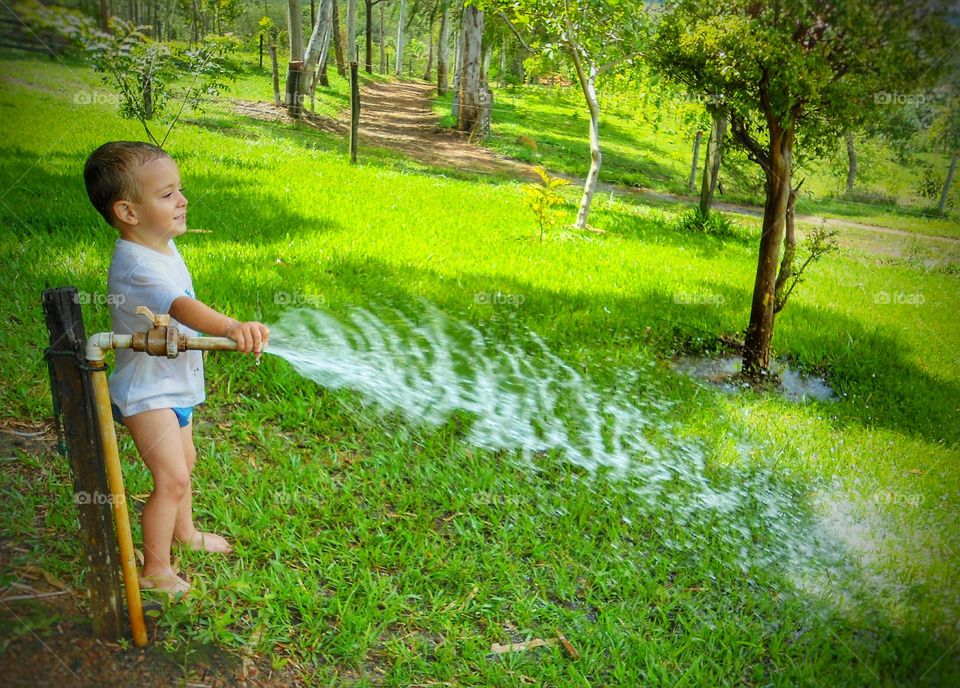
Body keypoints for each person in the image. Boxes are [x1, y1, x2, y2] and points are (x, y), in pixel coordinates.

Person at [83, 141, 269, 595]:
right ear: (128, 211)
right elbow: (182, 307)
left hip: (173, 385)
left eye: (179, 189)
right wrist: (232, 327)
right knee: (171, 478)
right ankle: (156, 569)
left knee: (186, 462)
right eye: (167, 194)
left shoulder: (159, 246)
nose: (183, 200)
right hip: (148, 393)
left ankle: (184, 533)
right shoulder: (135, 265)